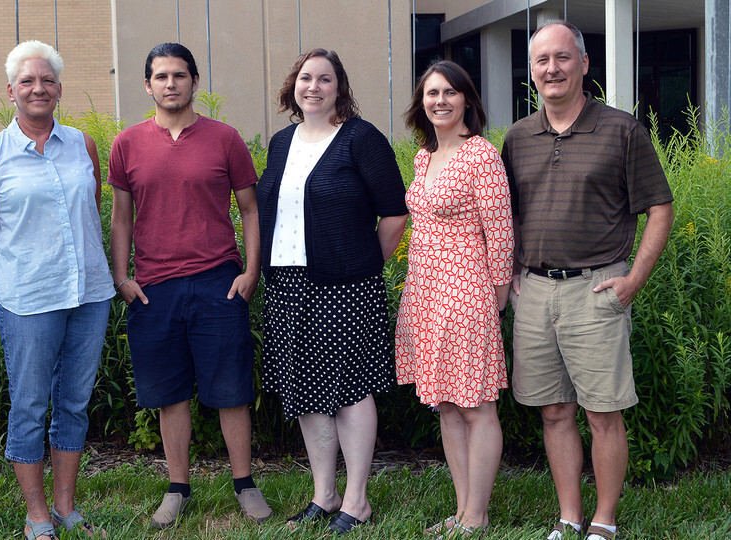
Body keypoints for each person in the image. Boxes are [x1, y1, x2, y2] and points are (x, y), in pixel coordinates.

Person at [502, 21, 674, 540]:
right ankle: (569, 516)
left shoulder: (622, 130)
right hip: (533, 292)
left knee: (602, 413)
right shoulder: (517, 137)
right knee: (554, 411)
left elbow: (660, 209)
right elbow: (501, 211)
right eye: (541, 61)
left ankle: (604, 522)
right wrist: (509, 273)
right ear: (531, 72)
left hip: (597, 289)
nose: (551, 69)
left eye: (562, 58)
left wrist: (632, 281)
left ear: (584, 64)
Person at [108, 42, 272, 529]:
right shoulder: (127, 144)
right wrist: (122, 277)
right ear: (148, 85)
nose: (171, 84)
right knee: (169, 392)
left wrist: (251, 271)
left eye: (180, 75)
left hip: (218, 282)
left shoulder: (225, 138)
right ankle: (178, 487)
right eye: (161, 76)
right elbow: (120, 219)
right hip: (154, 288)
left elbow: (250, 210)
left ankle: (244, 483)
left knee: (231, 389)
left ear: (194, 82)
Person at [0, 40, 113, 540]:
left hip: (89, 295)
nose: (38, 88)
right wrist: (8, 292)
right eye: (27, 81)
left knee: (73, 401)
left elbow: (90, 213)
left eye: (47, 80)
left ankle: (68, 506)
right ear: (11, 91)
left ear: (59, 89)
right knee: (29, 405)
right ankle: (37, 513)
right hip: (27, 302)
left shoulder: (83, 144)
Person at [257, 48, 409, 535]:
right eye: (306, 78)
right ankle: (324, 495)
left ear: (340, 87)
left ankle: (357, 500)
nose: (314, 87)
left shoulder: (361, 140)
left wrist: (363, 264)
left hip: (346, 286)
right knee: (305, 389)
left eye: (325, 79)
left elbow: (394, 213)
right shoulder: (282, 142)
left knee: (350, 390)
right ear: (293, 86)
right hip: (288, 284)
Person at [395, 60, 513, 537]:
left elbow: (500, 233)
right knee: (445, 403)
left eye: (449, 92)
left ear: (467, 99)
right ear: (421, 102)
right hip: (424, 291)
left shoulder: (480, 154)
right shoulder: (425, 155)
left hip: (466, 291)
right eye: (431, 93)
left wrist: (496, 299)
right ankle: (463, 510)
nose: (439, 100)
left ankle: (478, 515)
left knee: (476, 405)